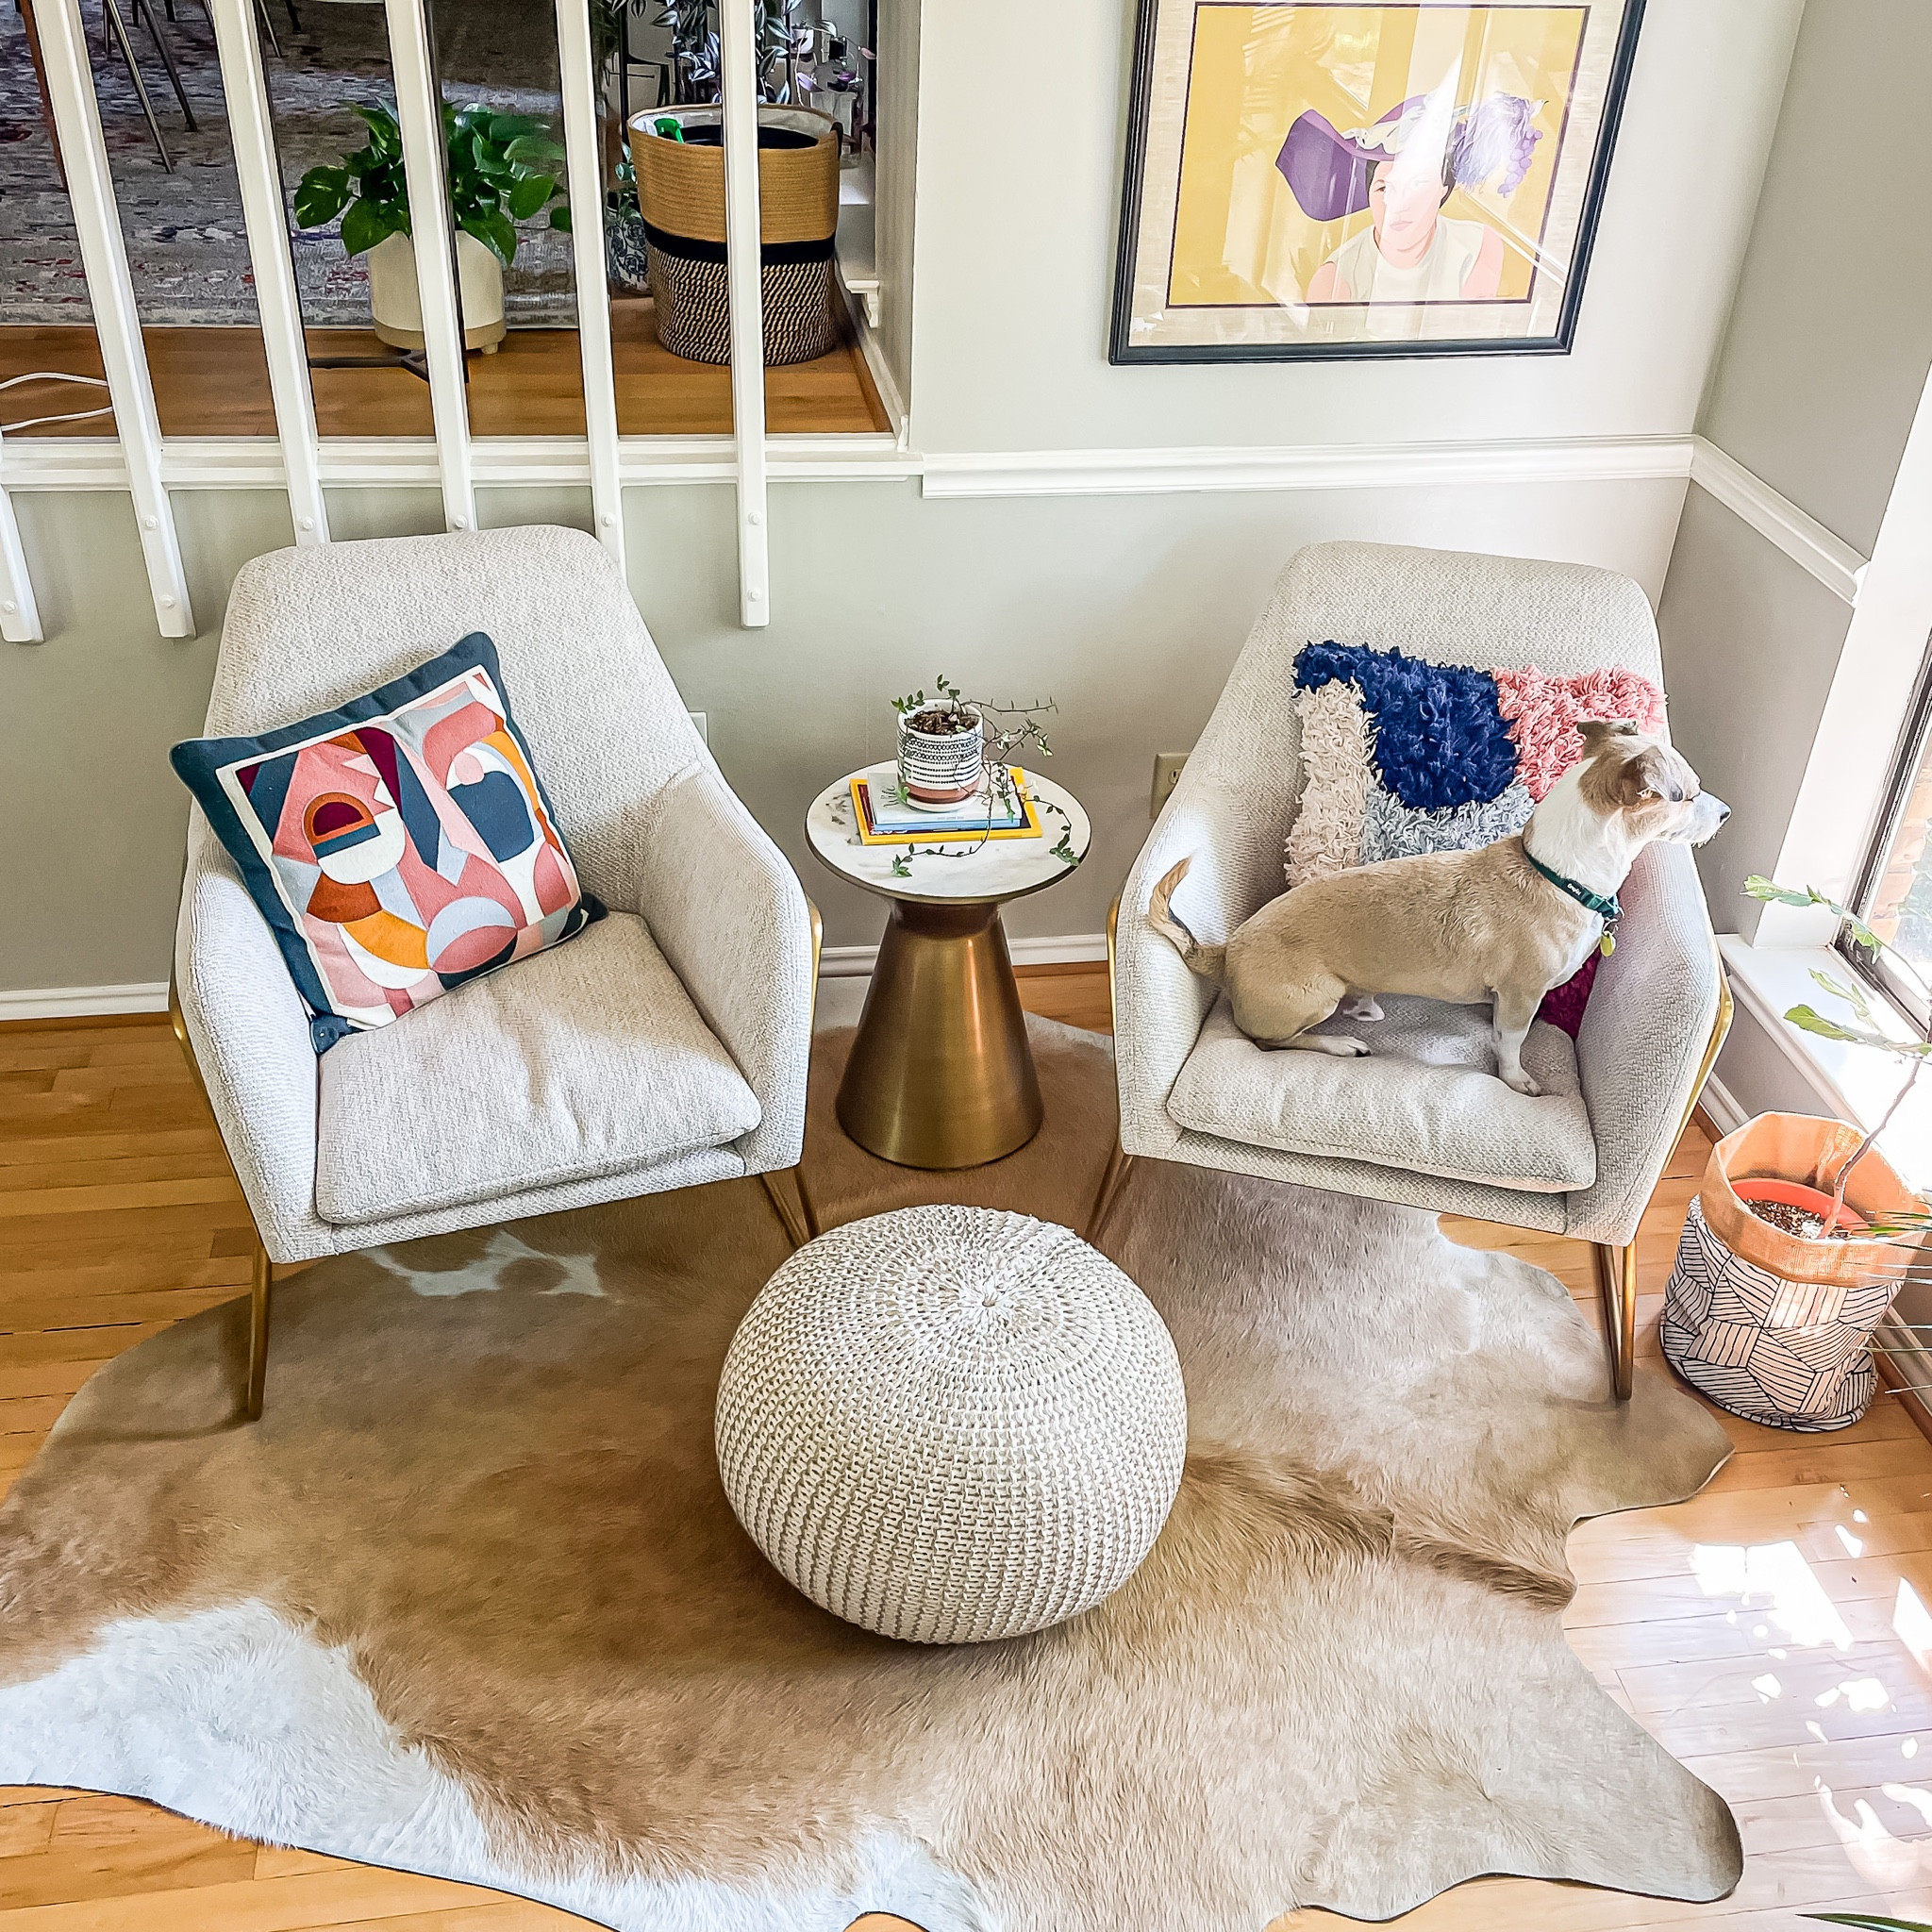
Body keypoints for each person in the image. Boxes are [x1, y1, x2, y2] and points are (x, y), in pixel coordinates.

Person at [1278, 83, 1540, 308]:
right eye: (1383, 188)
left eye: (1416, 185)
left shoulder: (1477, 245)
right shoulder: (1336, 280)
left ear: (1443, 190)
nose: (1397, 205)